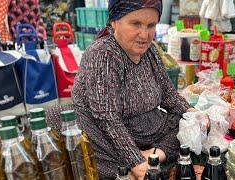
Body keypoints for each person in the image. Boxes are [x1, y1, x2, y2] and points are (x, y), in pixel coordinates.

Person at [70, 0, 206, 179]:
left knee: (192, 125)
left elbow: (168, 94)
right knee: (104, 164)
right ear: (114, 21)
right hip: (105, 133)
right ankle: (145, 160)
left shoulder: (150, 52)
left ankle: (155, 154)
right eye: (136, 24)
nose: (144, 34)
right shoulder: (103, 54)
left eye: (151, 25)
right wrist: (137, 163)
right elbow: (107, 118)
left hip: (146, 128)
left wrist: (194, 113)